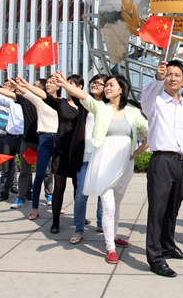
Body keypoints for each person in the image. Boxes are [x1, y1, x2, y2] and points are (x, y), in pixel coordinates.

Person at [56, 72, 148, 265]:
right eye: (106, 85)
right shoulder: (100, 108)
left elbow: (151, 131)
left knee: (117, 204)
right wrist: (64, 84)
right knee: (108, 206)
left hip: (124, 164)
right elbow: (83, 96)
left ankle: (113, 235)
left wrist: (139, 151)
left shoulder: (132, 112)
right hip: (104, 163)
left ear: (121, 89)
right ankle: (110, 248)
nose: (107, 87)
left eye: (111, 85)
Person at [141, 60, 183, 278]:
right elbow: (145, 99)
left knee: (172, 209)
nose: (173, 78)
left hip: (179, 162)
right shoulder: (155, 101)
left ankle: (168, 246)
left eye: (177, 75)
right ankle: (155, 258)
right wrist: (157, 78)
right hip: (161, 160)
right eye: (169, 74)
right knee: (157, 211)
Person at [17, 74, 84, 234]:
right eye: (67, 83)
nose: (68, 86)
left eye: (72, 84)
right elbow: (43, 95)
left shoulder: (85, 105)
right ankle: (55, 221)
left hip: (76, 151)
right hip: (59, 149)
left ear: (80, 87)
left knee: (78, 187)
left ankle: (79, 217)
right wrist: (26, 84)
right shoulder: (60, 104)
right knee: (58, 187)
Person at [0, 78, 54, 208]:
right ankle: (21, 197)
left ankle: (49, 195)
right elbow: (8, 94)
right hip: (27, 141)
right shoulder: (25, 100)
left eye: (36, 86)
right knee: (24, 171)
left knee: (46, 171)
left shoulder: (48, 103)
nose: (32, 87)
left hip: (42, 141)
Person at [10, 76, 59, 221]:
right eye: (48, 82)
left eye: (52, 83)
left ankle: (55, 202)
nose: (49, 84)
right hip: (44, 138)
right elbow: (26, 92)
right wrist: (19, 84)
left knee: (58, 175)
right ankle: (35, 208)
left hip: (58, 139)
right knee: (39, 174)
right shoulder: (39, 101)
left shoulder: (62, 102)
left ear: (59, 86)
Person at [70, 74, 108, 244]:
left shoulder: (108, 107)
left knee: (103, 194)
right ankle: (79, 229)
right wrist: (64, 83)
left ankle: (101, 223)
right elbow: (76, 93)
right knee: (81, 194)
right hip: (85, 155)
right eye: (93, 82)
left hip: (101, 156)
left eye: (99, 83)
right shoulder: (84, 103)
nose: (94, 84)